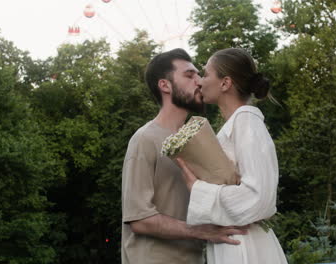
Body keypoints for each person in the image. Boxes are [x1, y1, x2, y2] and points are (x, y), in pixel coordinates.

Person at [121, 48, 249, 264]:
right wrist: (201, 231)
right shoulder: (144, 139)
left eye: (199, 75)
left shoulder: (202, 140)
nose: (199, 81)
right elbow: (139, 219)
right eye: (189, 75)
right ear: (165, 85)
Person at [176, 48, 288, 264]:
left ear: (225, 83)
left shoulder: (247, 124)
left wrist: (197, 188)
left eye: (206, 74)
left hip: (245, 247)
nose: (199, 81)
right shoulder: (236, 126)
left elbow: (259, 199)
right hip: (234, 243)